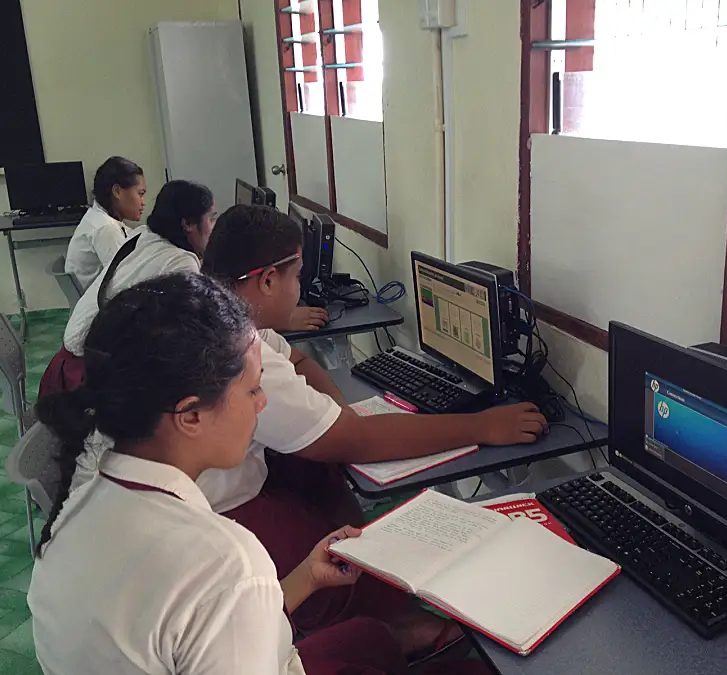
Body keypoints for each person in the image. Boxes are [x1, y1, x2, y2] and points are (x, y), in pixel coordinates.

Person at [28, 272, 489, 675]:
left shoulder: (79, 506)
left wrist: (303, 579)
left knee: (369, 637)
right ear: (190, 416)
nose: (262, 402)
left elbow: (192, 626)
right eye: (251, 390)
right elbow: (210, 603)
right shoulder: (224, 561)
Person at [194, 205, 548, 642]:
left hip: (209, 495)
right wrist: (483, 427)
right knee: (337, 545)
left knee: (321, 472)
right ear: (267, 280)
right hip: (220, 515)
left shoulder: (215, 310)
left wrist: (338, 411)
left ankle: (372, 602)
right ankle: (389, 628)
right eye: (297, 276)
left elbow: (300, 358)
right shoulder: (243, 349)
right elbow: (356, 440)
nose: (301, 289)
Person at [38, 179, 217, 399]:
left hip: (71, 359)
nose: (214, 227)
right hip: (85, 376)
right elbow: (193, 328)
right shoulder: (180, 261)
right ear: (188, 223)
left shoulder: (143, 235)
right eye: (211, 218)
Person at [64, 156, 146, 289]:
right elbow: (127, 279)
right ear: (117, 191)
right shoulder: (105, 228)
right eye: (140, 194)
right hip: (101, 305)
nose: (143, 202)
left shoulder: (99, 217)